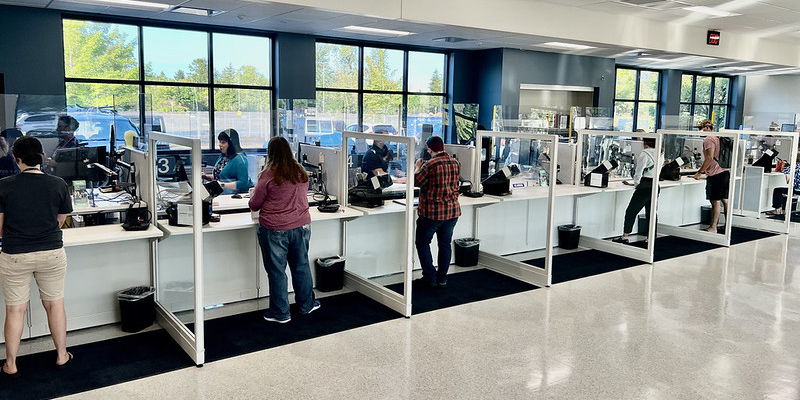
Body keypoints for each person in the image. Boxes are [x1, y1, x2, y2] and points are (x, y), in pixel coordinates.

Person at [0, 137, 74, 376]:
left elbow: (0, 227)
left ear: (16, 158)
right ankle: (62, 355)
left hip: (14, 255)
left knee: (15, 310)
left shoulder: (4, 185)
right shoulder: (58, 184)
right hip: (51, 252)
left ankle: (11, 364)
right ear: (42, 157)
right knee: (54, 304)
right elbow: (61, 221)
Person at [248, 136, 319, 323]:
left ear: (270, 153)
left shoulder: (268, 174)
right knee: (301, 267)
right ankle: (306, 305)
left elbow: (254, 204)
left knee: (277, 271)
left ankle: (281, 313)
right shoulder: (300, 171)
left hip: (275, 229)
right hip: (302, 225)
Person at [413, 136, 461, 288]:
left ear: (430, 149)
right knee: (445, 244)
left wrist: (417, 166)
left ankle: (429, 277)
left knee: (422, 243)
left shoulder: (430, 164)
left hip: (432, 213)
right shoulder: (455, 162)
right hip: (452, 211)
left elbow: (416, 182)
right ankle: (442, 278)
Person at [613, 137, 657, 244]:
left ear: (645, 142)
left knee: (631, 211)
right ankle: (650, 237)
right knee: (651, 213)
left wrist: (637, 183)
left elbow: (639, 171)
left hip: (645, 185)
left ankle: (625, 236)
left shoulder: (645, 153)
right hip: (655, 184)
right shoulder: (660, 152)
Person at [693, 119, 729, 232]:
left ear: (708, 128)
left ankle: (713, 227)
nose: (700, 131)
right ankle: (727, 225)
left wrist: (699, 172)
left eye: (701, 128)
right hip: (725, 171)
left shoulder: (709, 139)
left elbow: (709, 158)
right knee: (724, 199)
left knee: (715, 200)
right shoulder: (718, 137)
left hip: (715, 173)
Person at [205, 129, 252, 194]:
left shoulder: (240, 159)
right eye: (220, 142)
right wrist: (207, 177)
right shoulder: (223, 156)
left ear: (231, 144)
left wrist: (222, 185)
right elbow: (222, 176)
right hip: (221, 194)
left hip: (233, 196)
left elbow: (243, 183)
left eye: (223, 142)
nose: (220, 145)